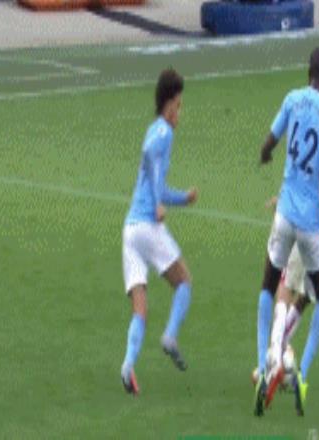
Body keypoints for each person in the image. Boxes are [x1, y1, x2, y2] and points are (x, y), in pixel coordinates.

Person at [254, 47, 319, 416]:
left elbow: (270, 141)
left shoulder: (292, 99)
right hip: (315, 225)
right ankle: (297, 371)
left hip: (288, 215)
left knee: (273, 287)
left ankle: (268, 360)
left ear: (308, 72)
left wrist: (265, 154)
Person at [120, 69, 198, 395]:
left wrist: (182, 199)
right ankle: (170, 336)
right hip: (147, 225)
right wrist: (156, 204)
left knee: (140, 308)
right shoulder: (163, 132)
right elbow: (151, 156)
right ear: (169, 104)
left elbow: (159, 183)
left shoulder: (153, 128)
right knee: (184, 282)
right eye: (179, 105)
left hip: (130, 231)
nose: (180, 112)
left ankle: (128, 366)